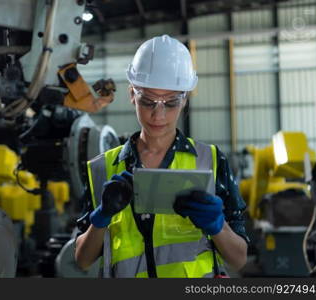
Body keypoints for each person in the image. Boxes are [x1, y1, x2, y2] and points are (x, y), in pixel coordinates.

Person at [74, 35, 249, 278]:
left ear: (185, 99)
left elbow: (239, 259)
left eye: (170, 103)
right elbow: (82, 261)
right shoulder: (103, 167)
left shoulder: (210, 160)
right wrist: (102, 216)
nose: (158, 115)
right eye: (147, 101)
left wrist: (218, 227)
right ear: (132, 95)